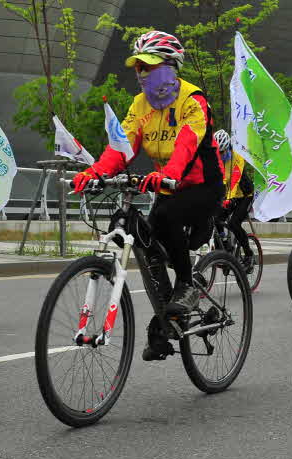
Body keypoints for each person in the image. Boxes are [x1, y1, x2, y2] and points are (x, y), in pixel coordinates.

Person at [72, 30, 224, 360]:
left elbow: (186, 144)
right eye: (138, 66)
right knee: (145, 237)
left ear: (170, 66)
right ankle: (166, 321)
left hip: (203, 186)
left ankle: (186, 285)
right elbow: (121, 147)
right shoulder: (140, 105)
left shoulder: (193, 100)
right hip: (168, 186)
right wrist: (95, 173)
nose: (141, 72)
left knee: (167, 216)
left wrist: (168, 175)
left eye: (149, 65)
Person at [214, 129, 255, 265]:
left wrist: (228, 199)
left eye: (222, 152)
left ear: (228, 148)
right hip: (229, 196)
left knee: (234, 223)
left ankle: (248, 254)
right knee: (215, 219)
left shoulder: (237, 157)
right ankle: (225, 247)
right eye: (217, 152)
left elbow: (235, 180)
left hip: (244, 195)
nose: (220, 155)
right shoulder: (216, 160)